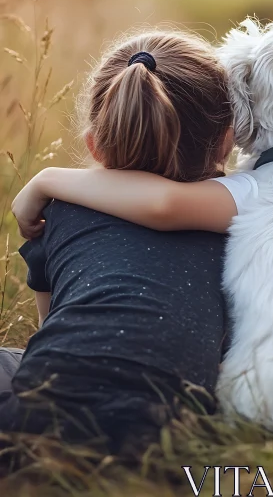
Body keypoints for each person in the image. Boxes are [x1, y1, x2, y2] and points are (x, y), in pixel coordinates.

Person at [0, 29, 235, 454]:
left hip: (34, 419)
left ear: (94, 143)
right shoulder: (241, 225)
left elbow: (47, 328)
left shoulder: (58, 210)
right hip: (166, 438)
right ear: (227, 139)